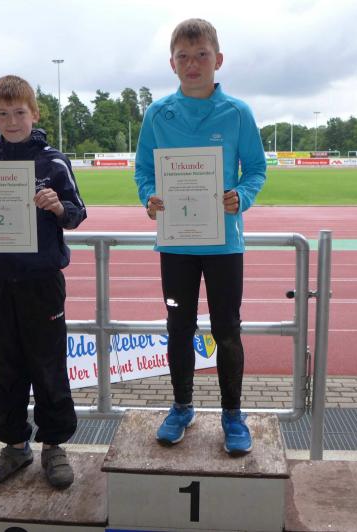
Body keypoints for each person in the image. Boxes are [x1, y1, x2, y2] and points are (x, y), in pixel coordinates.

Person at [134, 18, 267, 456]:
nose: (192, 64)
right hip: (176, 243)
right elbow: (144, 171)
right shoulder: (158, 114)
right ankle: (181, 407)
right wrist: (149, 197)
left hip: (224, 243)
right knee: (179, 329)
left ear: (218, 60)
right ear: (172, 63)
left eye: (201, 55)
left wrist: (241, 197)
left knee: (227, 331)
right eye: (184, 57)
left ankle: (233, 414)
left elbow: (256, 170)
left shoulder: (238, 113)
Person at [0, 75, 86, 488]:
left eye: (19, 112)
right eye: (3, 113)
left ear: (35, 114)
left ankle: (54, 446)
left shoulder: (54, 163)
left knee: (49, 366)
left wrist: (58, 206)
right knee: (7, 366)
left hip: (41, 281)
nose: (12, 121)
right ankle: (14, 446)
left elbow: (77, 214)